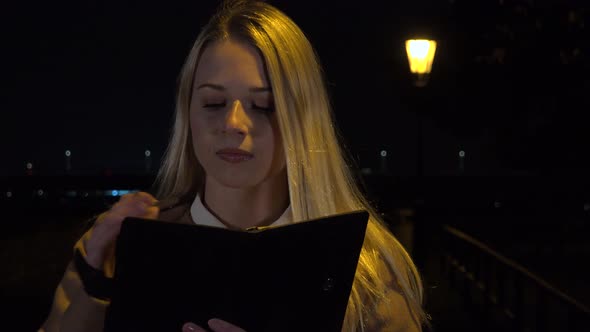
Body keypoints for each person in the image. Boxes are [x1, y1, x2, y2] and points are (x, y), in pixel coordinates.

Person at [40, 1, 429, 331]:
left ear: (304, 121)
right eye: (213, 103)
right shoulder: (113, 252)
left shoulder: (368, 274)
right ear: (187, 112)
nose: (233, 124)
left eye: (263, 105)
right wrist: (93, 290)